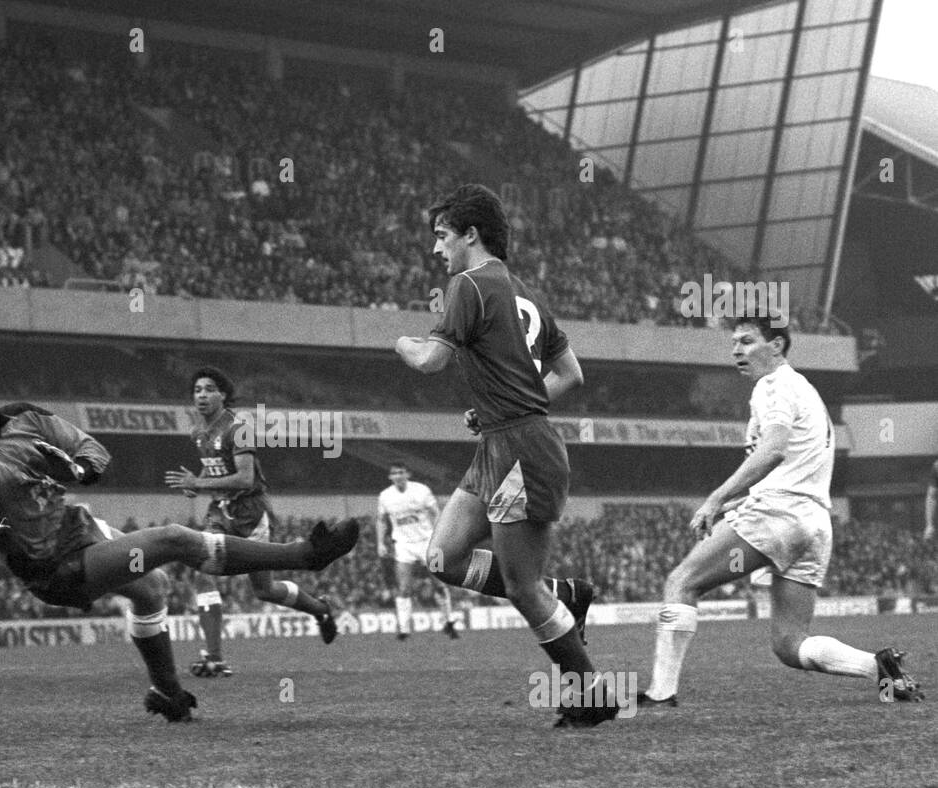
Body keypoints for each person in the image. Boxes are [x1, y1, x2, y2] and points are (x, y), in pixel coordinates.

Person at [0, 359, 359, 721]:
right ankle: (306, 555)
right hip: (57, 568)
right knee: (172, 539)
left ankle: (169, 695)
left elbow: (91, 449)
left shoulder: (27, 417)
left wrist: (81, 469)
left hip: (81, 532)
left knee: (153, 590)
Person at [395, 183, 607, 727]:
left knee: (521, 588)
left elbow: (430, 363)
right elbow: (570, 375)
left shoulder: (467, 285)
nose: (437, 249)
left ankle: (590, 698)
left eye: (442, 236)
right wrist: (500, 408)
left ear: (471, 234)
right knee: (442, 557)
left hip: (519, 450)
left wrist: (400, 342)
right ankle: (567, 595)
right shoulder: (526, 294)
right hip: (503, 441)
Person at [639, 316, 923, 707]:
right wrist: (741, 499)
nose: (737, 349)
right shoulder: (803, 389)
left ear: (776, 347)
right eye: (734, 342)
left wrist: (717, 498)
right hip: (814, 525)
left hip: (779, 518)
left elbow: (772, 451)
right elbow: (792, 463)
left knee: (683, 581)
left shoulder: (772, 385)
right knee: (790, 644)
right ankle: (881, 668)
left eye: (748, 340)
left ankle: (661, 692)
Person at [164, 366, 339, 677]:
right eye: (197, 390)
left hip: (249, 514)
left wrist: (199, 483)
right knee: (202, 573)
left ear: (223, 395)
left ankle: (321, 610)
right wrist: (199, 483)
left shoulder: (240, 427)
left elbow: (245, 479)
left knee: (264, 590)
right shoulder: (199, 432)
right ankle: (214, 658)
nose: (201, 395)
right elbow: (214, 468)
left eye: (208, 389)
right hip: (220, 511)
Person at [376, 462, 462, 640]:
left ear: (407, 474)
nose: (398, 476)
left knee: (440, 582)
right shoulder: (385, 496)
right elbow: (381, 520)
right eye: (394, 473)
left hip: (428, 543)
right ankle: (404, 629)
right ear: (390, 477)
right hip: (403, 545)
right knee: (404, 588)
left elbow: (436, 512)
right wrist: (380, 543)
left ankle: (449, 622)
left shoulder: (421, 490)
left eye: (401, 472)